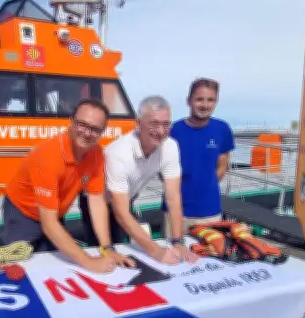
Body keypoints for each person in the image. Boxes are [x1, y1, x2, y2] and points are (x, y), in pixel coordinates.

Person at [2, 98, 136, 273]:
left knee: (57, 266)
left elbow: (96, 201)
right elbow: (49, 224)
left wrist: (108, 248)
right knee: (21, 267)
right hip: (23, 212)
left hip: (55, 210)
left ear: (102, 132)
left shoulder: (96, 154)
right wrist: (90, 262)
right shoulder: (48, 157)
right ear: (71, 122)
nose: (87, 133)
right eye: (82, 124)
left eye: (95, 129)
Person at [80, 95, 198, 264]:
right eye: (154, 123)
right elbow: (121, 213)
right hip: (97, 201)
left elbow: (173, 197)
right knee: (105, 255)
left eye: (166, 124)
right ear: (138, 124)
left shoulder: (171, 146)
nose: (160, 131)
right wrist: (156, 252)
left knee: (124, 246)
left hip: (126, 196)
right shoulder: (118, 152)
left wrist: (177, 241)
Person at [163, 78, 235, 237]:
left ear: (216, 102)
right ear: (189, 101)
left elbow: (222, 166)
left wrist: (204, 186)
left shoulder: (222, 129)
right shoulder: (173, 130)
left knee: (210, 257)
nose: (205, 105)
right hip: (175, 211)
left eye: (210, 100)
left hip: (209, 211)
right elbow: (163, 169)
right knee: (172, 257)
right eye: (199, 99)